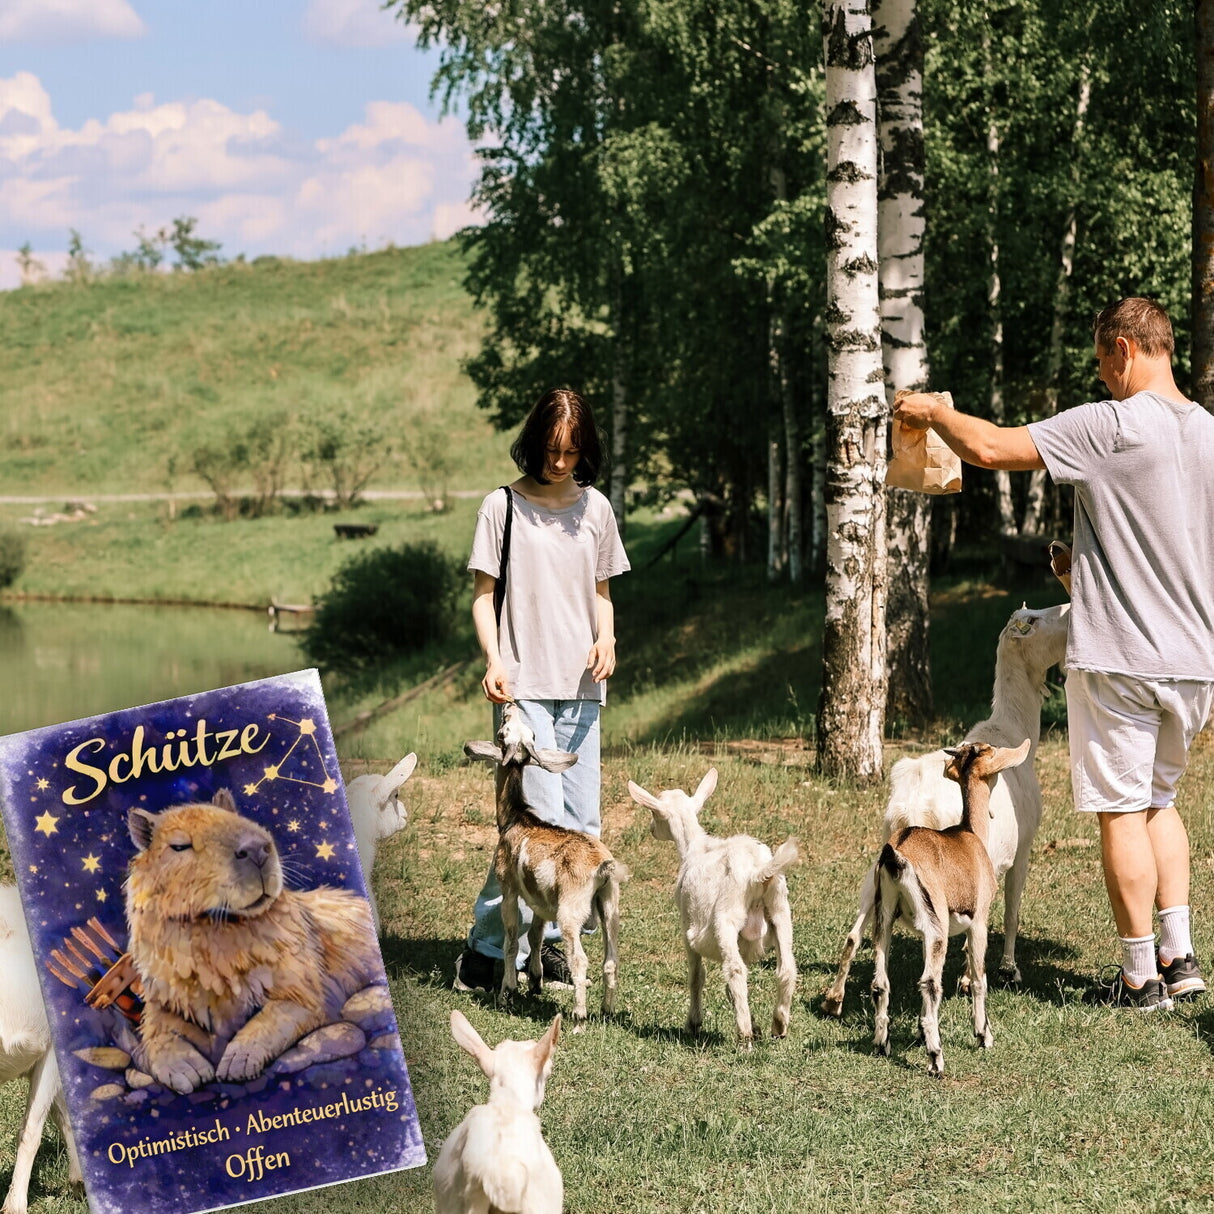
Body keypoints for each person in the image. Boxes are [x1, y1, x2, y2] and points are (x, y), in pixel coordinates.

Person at [895, 297, 1214, 1011]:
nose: (1103, 380)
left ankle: (1139, 979)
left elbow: (990, 448)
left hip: (1123, 658)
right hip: (1194, 658)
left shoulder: (1111, 424)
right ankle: (1180, 956)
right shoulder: (1210, 436)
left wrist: (935, 414)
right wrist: (1089, 574)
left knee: (1122, 810)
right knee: (1163, 800)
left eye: (1104, 365)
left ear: (1125, 351)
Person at [453, 387, 630, 992]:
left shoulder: (597, 509)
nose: (561, 462)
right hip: (522, 682)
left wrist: (606, 640)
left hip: (583, 686)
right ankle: (485, 947)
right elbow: (483, 598)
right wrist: (494, 659)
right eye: (553, 450)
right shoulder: (500, 508)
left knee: (582, 824)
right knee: (536, 821)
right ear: (535, 442)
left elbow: (602, 593)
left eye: (573, 451)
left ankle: (551, 947)